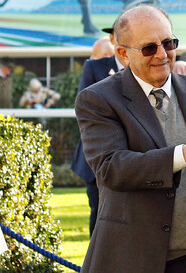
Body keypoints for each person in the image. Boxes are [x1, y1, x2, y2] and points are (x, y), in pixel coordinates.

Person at [74, 5, 186, 272]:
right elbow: (112, 167)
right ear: (123, 54)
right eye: (149, 48)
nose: (161, 54)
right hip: (135, 260)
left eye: (168, 43)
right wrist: (184, 155)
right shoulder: (98, 100)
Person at [73, 22, 127, 235]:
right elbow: (84, 109)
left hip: (132, 158)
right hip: (98, 157)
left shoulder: (140, 68)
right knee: (99, 211)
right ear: (112, 40)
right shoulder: (94, 67)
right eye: (117, 35)